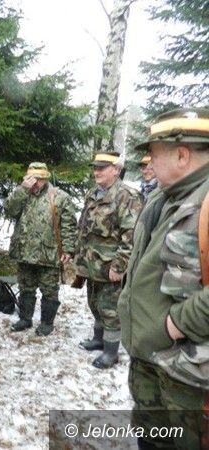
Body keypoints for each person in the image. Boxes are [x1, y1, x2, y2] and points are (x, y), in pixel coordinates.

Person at [118, 108, 209, 449]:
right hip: (150, 364)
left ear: (182, 155)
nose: (149, 162)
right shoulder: (163, 197)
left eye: (154, 154)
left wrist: (178, 322)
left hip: (190, 378)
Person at [74, 151, 143, 369]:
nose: (97, 172)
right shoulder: (93, 193)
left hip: (110, 265)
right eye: (95, 168)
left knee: (110, 310)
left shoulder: (127, 196)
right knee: (95, 303)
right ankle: (98, 339)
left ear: (116, 169)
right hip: (91, 263)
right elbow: (83, 227)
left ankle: (111, 353)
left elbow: (131, 235)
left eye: (102, 168)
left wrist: (119, 265)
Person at [4, 162, 77, 336]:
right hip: (24, 252)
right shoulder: (22, 194)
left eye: (39, 179)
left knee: (49, 290)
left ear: (46, 179)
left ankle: (47, 323)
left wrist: (68, 249)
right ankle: (25, 319)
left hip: (48, 253)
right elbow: (9, 210)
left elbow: (68, 225)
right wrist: (22, 189)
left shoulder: (60, 197)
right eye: (31, 178)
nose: (35, 183)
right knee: (26, 287)